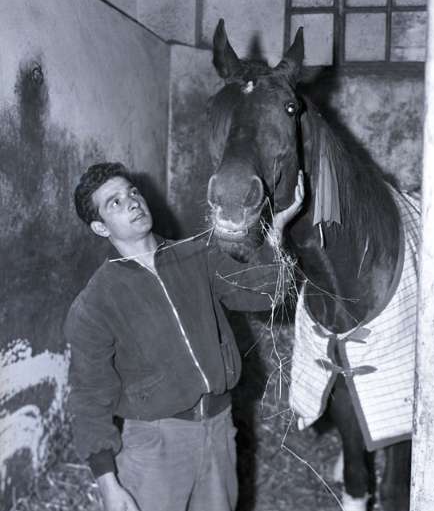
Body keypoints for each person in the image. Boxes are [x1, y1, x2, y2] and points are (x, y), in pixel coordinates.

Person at [64, 162, 304, 511]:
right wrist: (107, 482)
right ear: (101, 227)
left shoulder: (195, 255)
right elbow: (88, 396)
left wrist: (275, 233)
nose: (132, 202)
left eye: (133, 191)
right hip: (155, 444)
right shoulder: (95, 303)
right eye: (115, 202)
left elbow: (263, 293)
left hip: (219, 429)